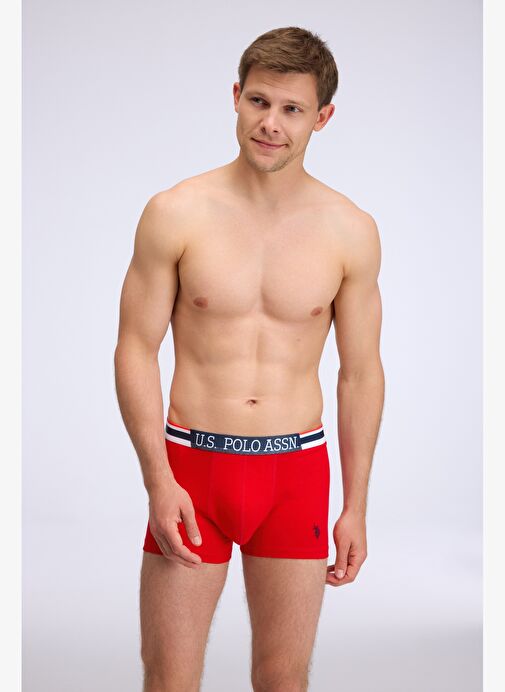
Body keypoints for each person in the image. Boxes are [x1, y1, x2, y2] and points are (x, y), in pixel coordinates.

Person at [114, 25, 384, 692]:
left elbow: (359, 374)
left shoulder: (349, 230)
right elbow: (136, 348)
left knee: (282, 679)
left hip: (296, 475)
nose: (271, 123)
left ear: (322, 117)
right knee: (169, 678)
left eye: (292, 109)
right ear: (235, 96)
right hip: (192, 471)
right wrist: (157, 478)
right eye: (259, 101)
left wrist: (355, 504)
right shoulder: (176, 213)